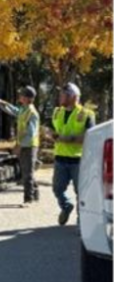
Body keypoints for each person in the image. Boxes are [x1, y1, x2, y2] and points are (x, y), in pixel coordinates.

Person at [52, 83, 95, 225]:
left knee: (81, 193)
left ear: (73, 97)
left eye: (63, 95)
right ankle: (66, 206)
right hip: (60, 158)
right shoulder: (57, 112)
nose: (60, 97)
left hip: (79, 160)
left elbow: (90, 137)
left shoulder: (87, 114)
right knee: (57, 189)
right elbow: (56, 132)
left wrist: (68, 139)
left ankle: (81, 221)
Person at [3, 86, 40, 207]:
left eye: (21, 95)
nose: (19, 97)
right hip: (25, 145)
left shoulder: (32, 113)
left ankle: (28, 199)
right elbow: (15, 111)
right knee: (26, 172)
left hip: (29, 146)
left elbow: (31, 133)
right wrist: (5, 104)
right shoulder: (24, 109)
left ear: (26, 98)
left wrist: (19, 145)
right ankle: (35, 194)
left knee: (27, 173)